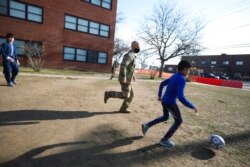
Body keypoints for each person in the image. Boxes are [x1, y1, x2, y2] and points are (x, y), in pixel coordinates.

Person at [142, 60, 198, 147]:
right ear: (184, 69)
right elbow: (181, 97)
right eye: (188, 70)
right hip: (170, 102)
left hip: (164, 100)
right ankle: (164, 140)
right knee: (179, 121)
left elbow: (162, 84)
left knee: (165, 117)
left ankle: (147, 125)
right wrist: (192, 106)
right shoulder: (182, 79)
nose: (189, 72)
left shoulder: (174, 76)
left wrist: (160, 96)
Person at [104, 41, 140, 113]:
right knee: (125, 95)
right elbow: (123, 66)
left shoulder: (133, 55)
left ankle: (123, 108)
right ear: (133, 46)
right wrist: (124, 77)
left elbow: (130, 68)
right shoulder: (129, 55)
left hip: (128, 79)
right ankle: (109, 94)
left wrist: (133, 76)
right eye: (138, 46)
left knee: (131, 95)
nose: (139, 48)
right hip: (125, 79)